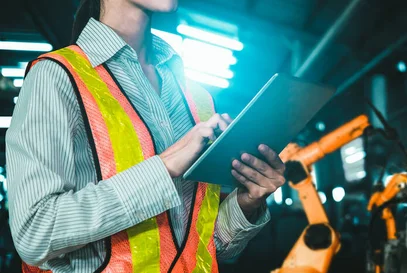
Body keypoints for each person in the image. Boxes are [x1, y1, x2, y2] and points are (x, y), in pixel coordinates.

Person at [6, 0, 286, 272]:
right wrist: (163, 167)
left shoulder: (195, 97)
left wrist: (246, 203)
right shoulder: (57, 77)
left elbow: (202, 249)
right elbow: (35, 234)